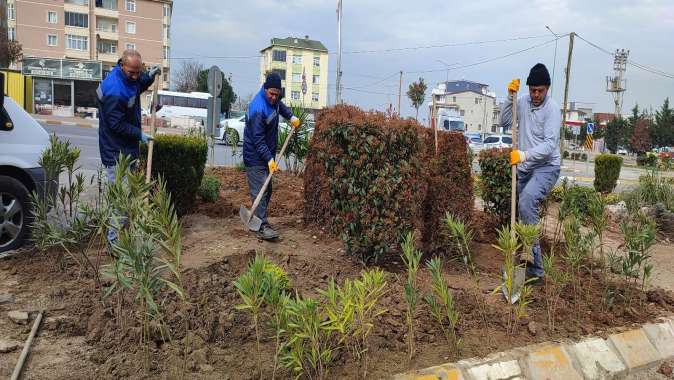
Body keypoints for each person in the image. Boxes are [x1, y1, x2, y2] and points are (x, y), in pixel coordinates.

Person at [500, 63, 561, 285]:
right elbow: (504, 122)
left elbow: (549, 144)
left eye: (540, 91)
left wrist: (524, 155)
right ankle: (523, 261)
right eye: (532, 90)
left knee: (526, 201)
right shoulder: (523, 102)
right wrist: (510, 97)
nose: (536, 95)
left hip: (546, 167)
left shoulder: (552, 109)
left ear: (547, 89)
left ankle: (535, 269)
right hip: (525, 168)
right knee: (521, 212)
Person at [97, 49, 160, 243]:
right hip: (116, 152)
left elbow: (136, 85)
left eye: (138, 71)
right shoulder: (115, 89)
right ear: (122, 65)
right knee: (121, 201)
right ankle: (114, 243)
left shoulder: (129, 79)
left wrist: (148, 77)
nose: (135, 76)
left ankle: (121, 238)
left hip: (126, 149)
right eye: (132, 72)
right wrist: (139, 134)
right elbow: (116, 124)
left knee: (126, 198)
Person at [243, 73, 300, 240]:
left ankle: (259, 219)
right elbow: (258, 140)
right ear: (265, 89)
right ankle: (261, 227)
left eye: (277, 94)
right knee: (260, 188)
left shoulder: (274, 101)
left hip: (266, 154)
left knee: (267, 190)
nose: (274, 97)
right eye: (271, 94)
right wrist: (269, 159)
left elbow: (279, 107)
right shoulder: (258, 108)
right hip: (255, 156)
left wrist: (291, 116)